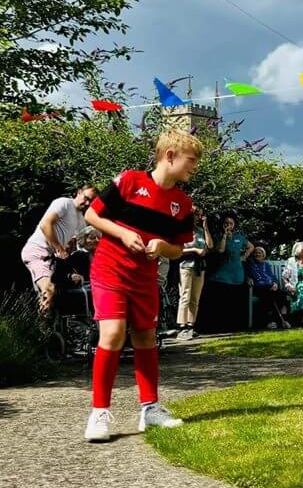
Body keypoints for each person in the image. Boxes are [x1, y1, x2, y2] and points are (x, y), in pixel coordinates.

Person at [81, 129, 200, 442]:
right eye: (191, 160)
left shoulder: (183, 203)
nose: (194, 167)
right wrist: (122, 234)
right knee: (114, 333)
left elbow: (177, 248)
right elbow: (93, 216)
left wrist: (162, 246)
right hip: (110, 270)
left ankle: (150, 409)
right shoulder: (131, 181)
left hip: (144, 277)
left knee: (146, 337)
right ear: (169, 155)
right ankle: (99, 413)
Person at [21, 185, 96, 312]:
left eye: (91, 201)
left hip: (54, 260)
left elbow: (84, 245)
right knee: (48, 289)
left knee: (77, 280)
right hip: (38, 251)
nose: (87, 203)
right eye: (86, 198)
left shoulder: (81, 220)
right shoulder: (64, 203)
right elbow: (45, 224)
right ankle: (42, 330)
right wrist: (59, 248)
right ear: (78, 192)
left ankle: (60, 326)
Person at [204, 214, 254, 332]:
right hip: (222, 272)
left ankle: (235, 326)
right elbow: (220, 250)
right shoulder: (218, 235)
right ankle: (220, 326)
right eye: (226, 223)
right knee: (222, 300)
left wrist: (244, 256)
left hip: (237, 271)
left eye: (231, 223)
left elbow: (251, 246)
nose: (228, 225)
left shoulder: (240, 237)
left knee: (235, 300)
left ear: (234, 224)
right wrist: (225, 236)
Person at [176, 206, 213, 341]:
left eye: (200, 215)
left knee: (195, 297)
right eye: (196, 214)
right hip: (186, 265)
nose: (198, 217)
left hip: (200, 266)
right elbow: (176, 250)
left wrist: (205, 227)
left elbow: (210, 246)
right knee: (185, 295)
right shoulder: (183, 230)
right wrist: (195, 250)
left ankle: (191, 326)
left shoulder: (200, 230)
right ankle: (182, 326)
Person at [249, 247, 289, 329]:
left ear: (263, 255)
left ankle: (281, 320)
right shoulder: (251, 265)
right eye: (256, 252)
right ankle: (271, 321)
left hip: (271, 287)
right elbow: (248, 275)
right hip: (259, 287)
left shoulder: (266, 265)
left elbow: (272, 276)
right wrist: (248, 278)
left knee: (282, 295)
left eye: (260, 252)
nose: (257, 254)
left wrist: (275, 284)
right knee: (269, 296)